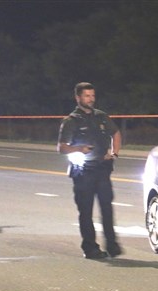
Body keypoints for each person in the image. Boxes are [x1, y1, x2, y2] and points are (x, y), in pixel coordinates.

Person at [57, 82, 123, 259]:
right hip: (83, 171)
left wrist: (114, 153)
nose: (91, 99)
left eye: (93, 96)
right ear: (78, 98)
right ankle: (90, 247)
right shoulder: (71, 121)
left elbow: (115, 133)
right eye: (87, 96)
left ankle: (112, 243)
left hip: (102, 169)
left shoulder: (101, 117)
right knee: (86, 211)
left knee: (107, 208)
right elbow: (61, 147)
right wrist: (78, 149)